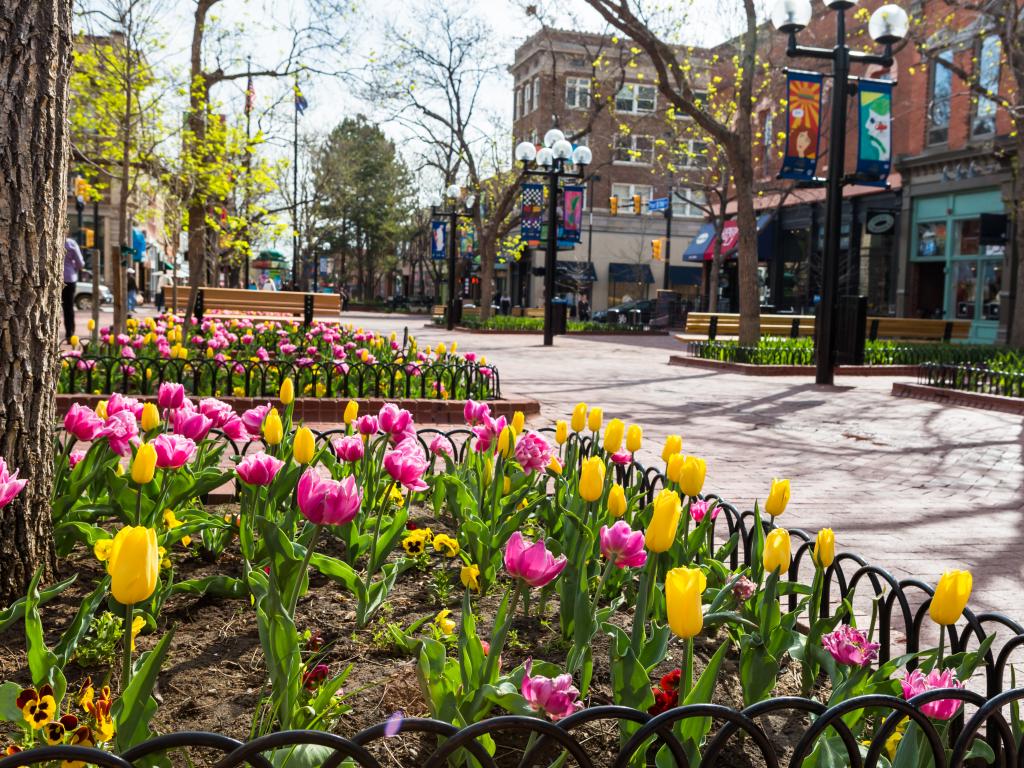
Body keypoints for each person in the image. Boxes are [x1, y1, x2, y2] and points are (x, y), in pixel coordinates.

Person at [62, 233, 85, 343]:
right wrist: (74, 268)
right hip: (69, 279)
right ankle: (69, 334)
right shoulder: (70, 243)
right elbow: (80, 263)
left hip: (55, 278)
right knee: (68, 307)